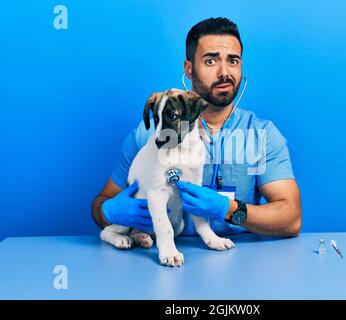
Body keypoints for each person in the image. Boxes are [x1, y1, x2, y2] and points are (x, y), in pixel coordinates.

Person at [91, 17, 301, 237]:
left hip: (238, 258)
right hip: (166, 256)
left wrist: (229, 211)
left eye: (233, 60)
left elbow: (291, 219)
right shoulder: (149, 135)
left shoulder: (262, 135)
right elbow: (100, 206)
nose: (224, 72)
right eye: (211, 61)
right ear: (189, 69)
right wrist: (111, 212)